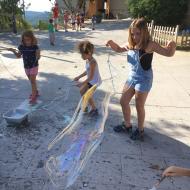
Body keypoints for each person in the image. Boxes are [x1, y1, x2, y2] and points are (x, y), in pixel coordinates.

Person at [106, 18, 176, 141]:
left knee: (139, 105)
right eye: (132, 33)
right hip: (132, 77)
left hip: (144, 78)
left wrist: (173, 45)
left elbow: (168, 53)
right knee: (123, 101)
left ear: (144, 32)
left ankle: (140, 130)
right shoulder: (130, 44)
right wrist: (111, 43)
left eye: (138, 33)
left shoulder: (150, 45)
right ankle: (127, 125)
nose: (134, 36)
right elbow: (118, 49)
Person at [7, 31, 41, 104]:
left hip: (34, 66)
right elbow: (18, 56)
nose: (27, 41)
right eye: (25, 40)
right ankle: (36, 91)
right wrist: (13, 51)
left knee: (32, 81)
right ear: (23, 40)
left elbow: (38, 56)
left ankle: (34, 97)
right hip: (26, 66)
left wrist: (38, 54)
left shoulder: (35, 47)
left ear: (32, 39)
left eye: (28, 40)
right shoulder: (22, 47)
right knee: (31, 81)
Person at [74, 41, 102, 116]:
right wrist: (79, 77)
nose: (81, 56)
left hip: (95, 81)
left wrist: (82, 83)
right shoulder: (87, 60)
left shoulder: (93, 62)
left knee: (87, 94)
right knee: (82, 91)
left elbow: (91, 76)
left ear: (89, 53)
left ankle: (94, 109)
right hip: (91, 80)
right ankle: (85, 107)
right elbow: (87, 71)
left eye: (82, 54)